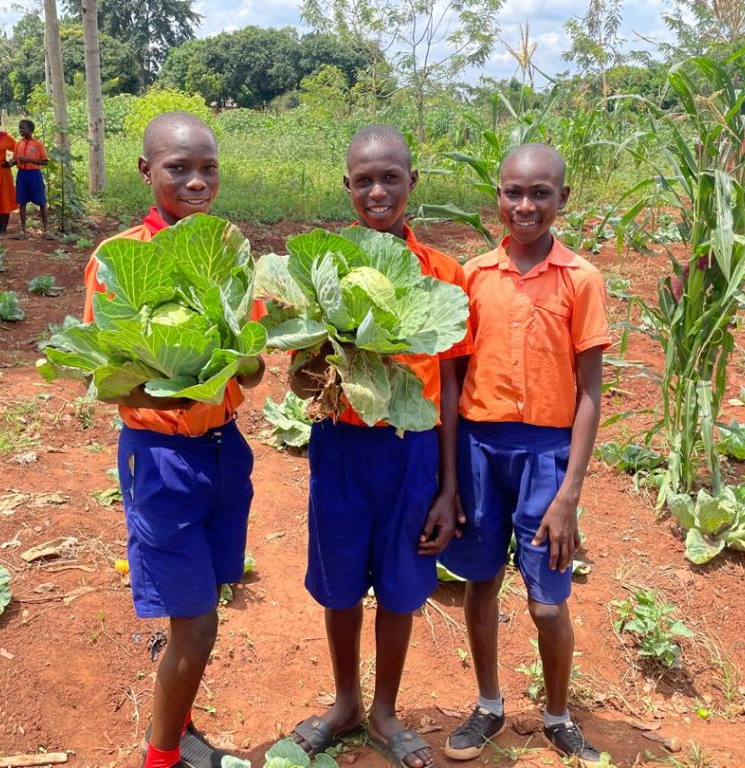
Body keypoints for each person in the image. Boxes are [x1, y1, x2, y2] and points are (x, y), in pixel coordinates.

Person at [82, 111, 265, 768]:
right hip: (160, 460)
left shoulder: (227, 250)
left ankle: (179, 727)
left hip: (224, 450)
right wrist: (177, 382)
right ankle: (160, 758)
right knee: (197, 626)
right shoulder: (119, 259)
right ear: (145, 171)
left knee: (206, 599)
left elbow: (253, 360)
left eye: (207, 168)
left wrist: (234, 362)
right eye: (178, 168)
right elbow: (108, 380)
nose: (196, 181)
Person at [288, 124, 473, 768]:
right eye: (363, 179)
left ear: (411, 183)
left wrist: (449, 488)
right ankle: (345, 703)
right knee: (340, 582)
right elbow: (301, 370)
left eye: (390, 177)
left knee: (400, 584)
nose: (377, 191)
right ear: (347, 186)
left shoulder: (442, 274)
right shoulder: (320, 268)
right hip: (340, 443)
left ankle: (386, 709)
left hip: (413, 450)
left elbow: (448, 386)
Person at [438, 144, 610, 768]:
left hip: (546, 456)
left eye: (541, 193)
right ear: (499, 197)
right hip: (479, 449)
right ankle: (488, 705)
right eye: (514, 192)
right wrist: (451, 479)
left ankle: (558, 715)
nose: (525, 205)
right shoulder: (473, 276)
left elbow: (591, 391)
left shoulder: (581, 279)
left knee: (546, 601)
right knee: (480, 585)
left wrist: (569, 494)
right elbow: (453, 383)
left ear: (562, 199)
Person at [13, 119, 51, 240]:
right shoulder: (18, 144)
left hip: (34, 174)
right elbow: (15, 160)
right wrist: (8, 164)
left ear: (31, 130)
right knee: (22, 202)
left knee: (42, 202)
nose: (21, 130)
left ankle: (46, 230)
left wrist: (29, 160)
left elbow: (44, 161)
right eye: (19, 128)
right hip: (22, 175)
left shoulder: (38, 144)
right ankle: (23, 231)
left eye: (23, 128)